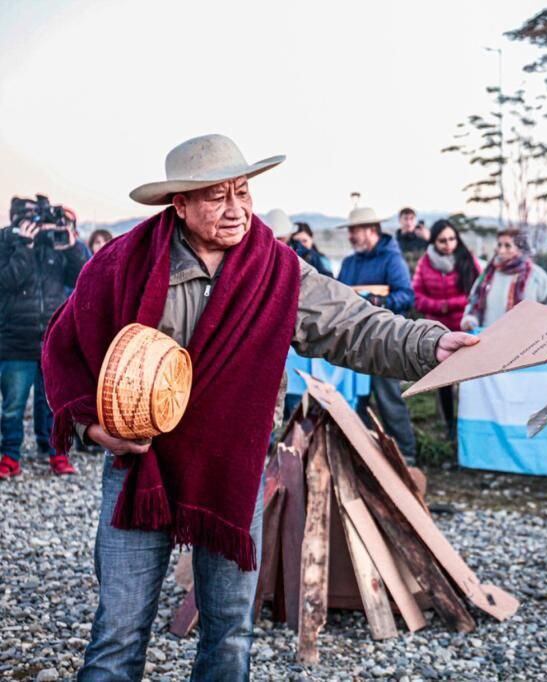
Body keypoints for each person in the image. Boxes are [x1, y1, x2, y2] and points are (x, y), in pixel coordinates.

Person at [42, 134, 477, 680]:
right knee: (120, 630)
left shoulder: (276, 270)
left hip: (232, 467)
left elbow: (354, 325)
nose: (235, 210)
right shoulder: (120, 266)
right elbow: (64, 344)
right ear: (179, 205)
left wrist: (430, 344)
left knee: (229, 632)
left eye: (242, 192)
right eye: (216, 196)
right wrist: (92, 428)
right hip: (139, 467)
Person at [0, 197, 88, 479]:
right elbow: (8, 282)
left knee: (52, 403)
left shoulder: (57, 244)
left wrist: (72, 246)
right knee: (13, 405)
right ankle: (10, 456)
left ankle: (57, 454)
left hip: (52, 339)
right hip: (16, 340)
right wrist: (23, 248)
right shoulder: (6, 245)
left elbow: (82, 276)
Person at [339, 205, 421, 462]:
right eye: (350, 231)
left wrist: (379, 301)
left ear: (371, 230)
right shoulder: (349, 263)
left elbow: (406, 296)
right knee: (356, 399)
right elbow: (338, 293)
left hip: (385, 339)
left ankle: (406, 454)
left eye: (355, 231)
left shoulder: (391, 258)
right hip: (353, 340)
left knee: (388, 397)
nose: (351, 236)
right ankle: (363, 452)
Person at [413, 218, 481, 440]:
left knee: (471, 380)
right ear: (434, 241)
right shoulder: (425, 263)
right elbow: (417, 297)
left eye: (452, 238)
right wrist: (438, 306)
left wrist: (449, 304)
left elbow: (478, 292)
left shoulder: (467, 259)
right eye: (442, 240)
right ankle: (450, 425)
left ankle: (470, 423)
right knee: (444, 382)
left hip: (466, 329)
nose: (448, 244)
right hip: (438, 331)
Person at [461, 228, 547, 331]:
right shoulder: (489, 273)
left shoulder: (537, 276)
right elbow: (474, 300)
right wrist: (470, 319)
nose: (501, 250)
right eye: (499, 245)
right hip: (489, 338)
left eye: (507, 246)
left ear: (520, 249)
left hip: (525, 340)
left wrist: (540, 324)